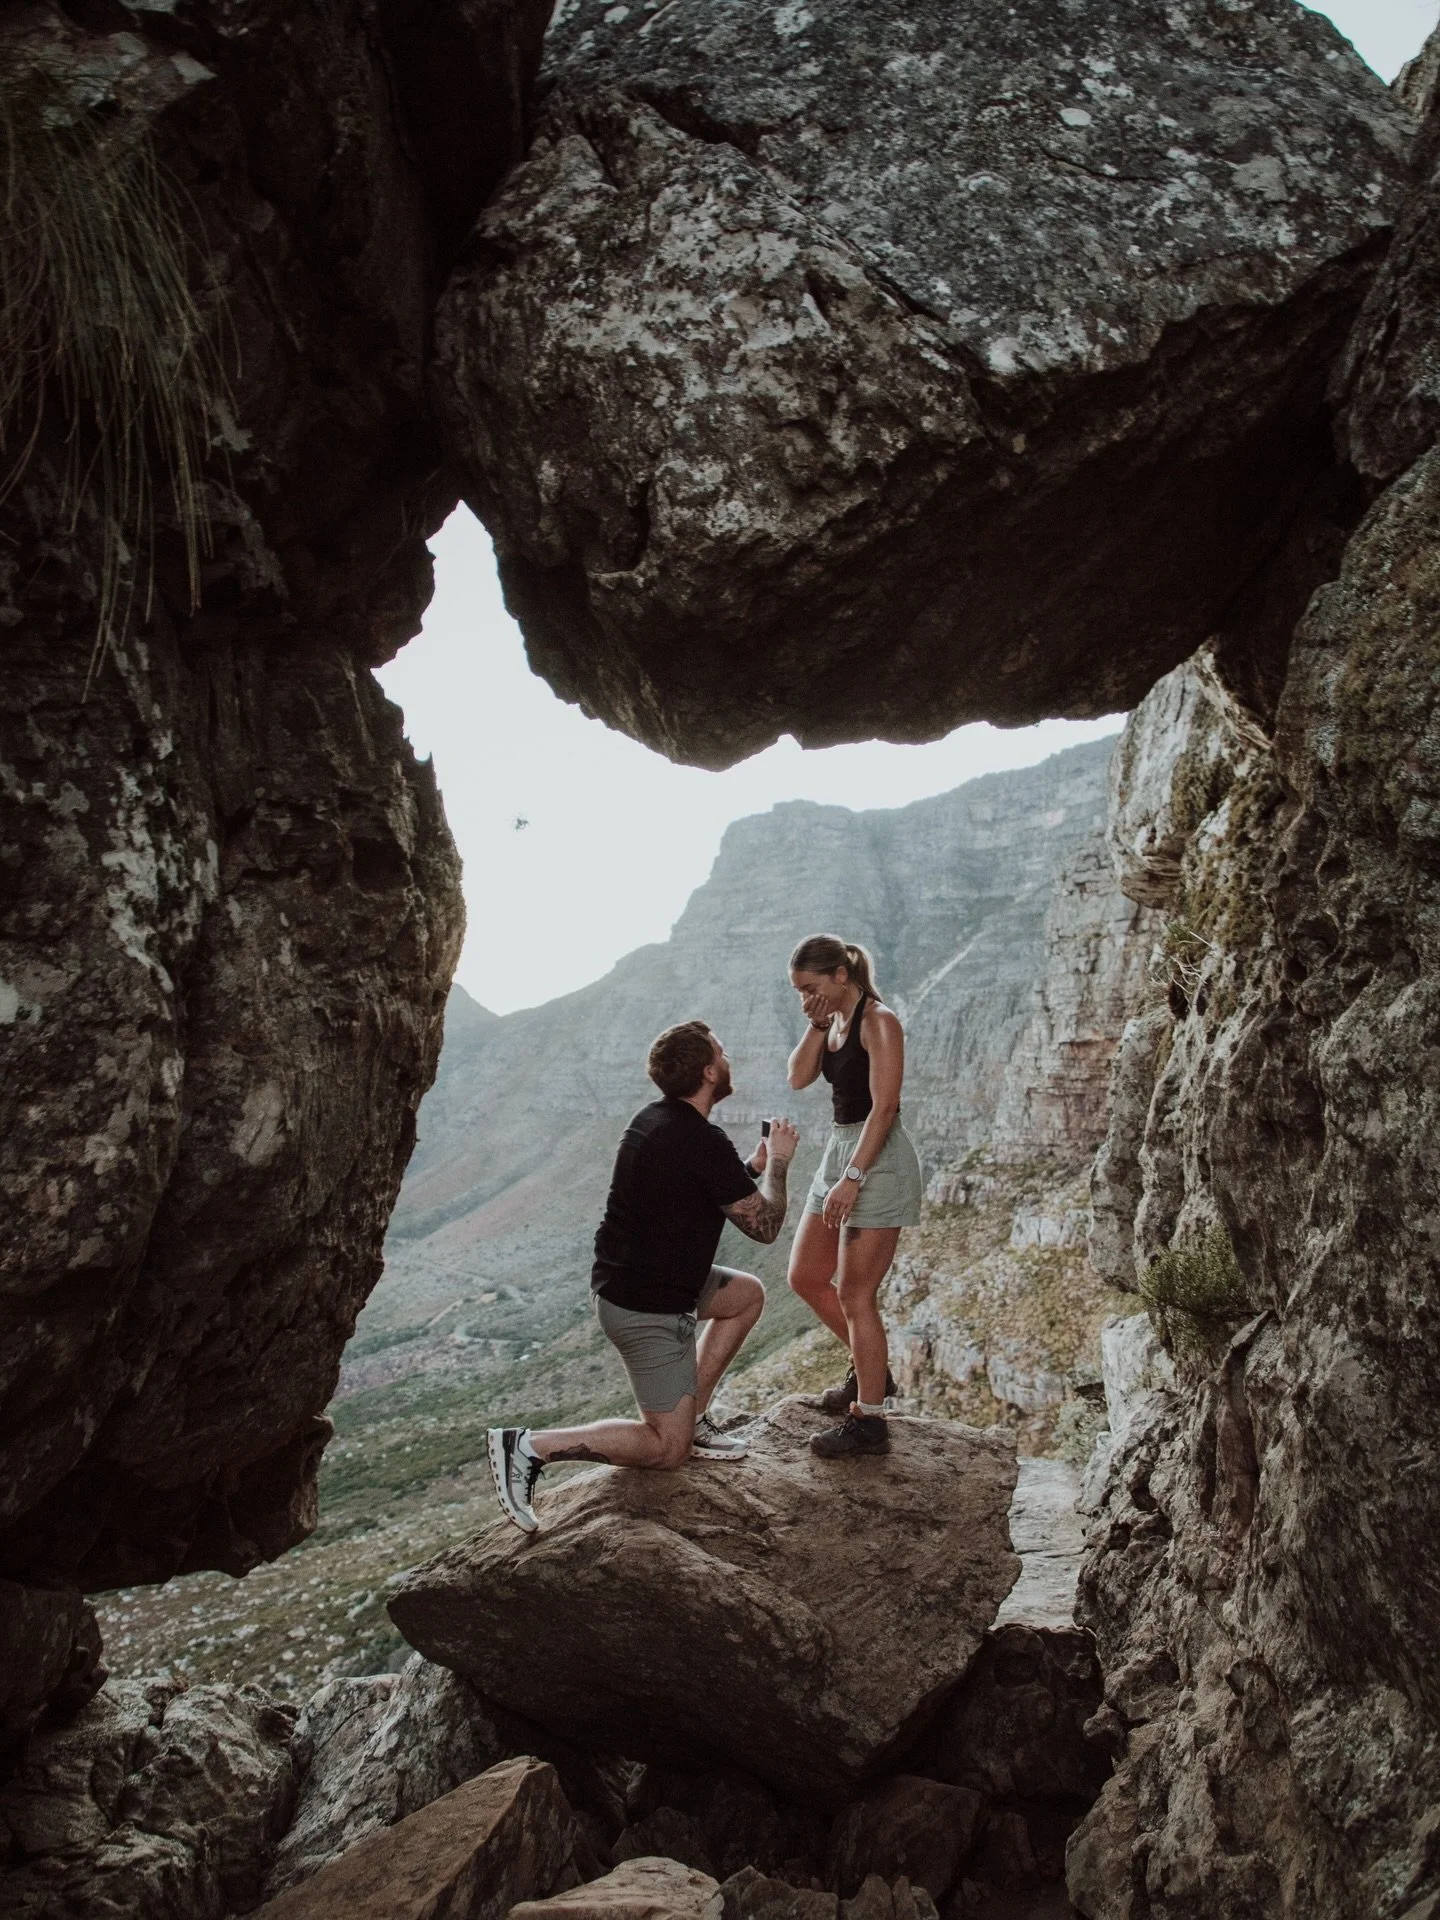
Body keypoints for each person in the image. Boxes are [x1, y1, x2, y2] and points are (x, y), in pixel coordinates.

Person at [487, 1020, 798, 1532]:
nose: (729, 1058)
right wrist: (779, 1166)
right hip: (648, 1308)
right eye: (722, 1053)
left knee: (745, 1295)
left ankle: (692, 1417)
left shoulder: (656, 1120)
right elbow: (764, 1227)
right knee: (666, 1449)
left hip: (635, 1283)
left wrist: (750, 1165)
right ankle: (529, 1447)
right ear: (707, 1071)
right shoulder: (700, 1139)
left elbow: (691, 1186)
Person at [785, 935, 923, 1458]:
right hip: (839, 1150)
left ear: (841, 976)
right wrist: (817, 1023)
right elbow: (798, 1078)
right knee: (804, 1275)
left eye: (811, 988)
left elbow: (885, 1107)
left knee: (854, 1295)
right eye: (798, 992)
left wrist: (853, 1177)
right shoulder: (833, 1022)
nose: (805, 999)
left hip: (875, 1158)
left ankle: (869, 1421)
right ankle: (871, 1373)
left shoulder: (878, 1021)